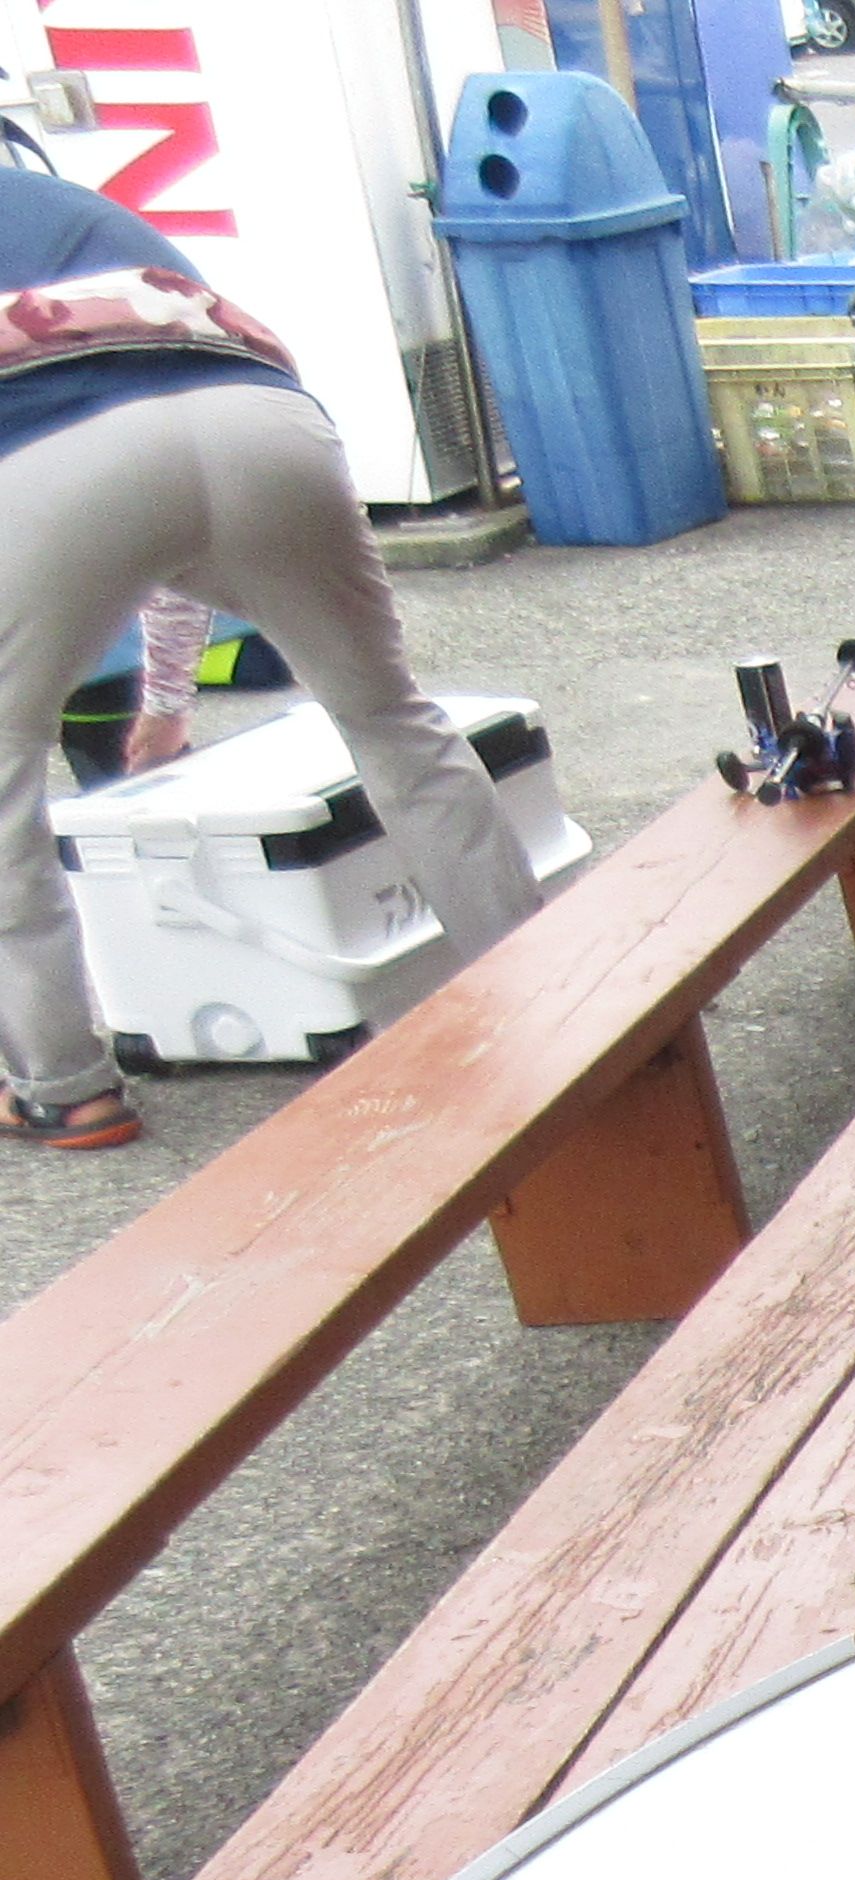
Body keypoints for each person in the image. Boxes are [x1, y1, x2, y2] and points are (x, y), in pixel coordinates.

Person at [0, 163, 541, 1153]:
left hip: (43, 452)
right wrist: (166, 698)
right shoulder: (71, 209)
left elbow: (122, 476)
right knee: (389, 719)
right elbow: (172, 452)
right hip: (260, 421)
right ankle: (543, 988)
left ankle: (64, 1086)